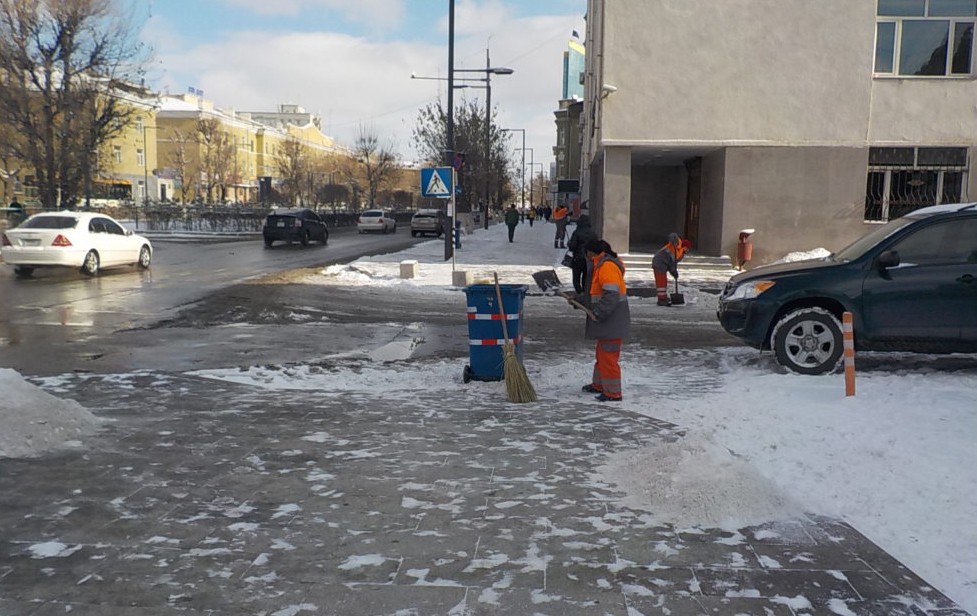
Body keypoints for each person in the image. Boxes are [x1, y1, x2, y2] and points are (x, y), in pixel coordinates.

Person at [571, 239, 630, 402]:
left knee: (608, 356)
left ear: (590, 253)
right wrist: (578, 300)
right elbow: (595, 295)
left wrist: (599, 312)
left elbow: (611, 295)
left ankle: (613, 392)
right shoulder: (600, 265)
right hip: (608, 319)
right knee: (602, 353)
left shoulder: (607, 267)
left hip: (612, 319)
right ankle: (599, 384)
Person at [652, 233, 690, 306]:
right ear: (684, 246)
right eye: (687, 249)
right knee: (661, 282)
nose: (687, 251)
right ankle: (661, 300)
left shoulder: (679, 251)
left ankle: (663, 297)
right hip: (659, 262)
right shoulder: (674, 245)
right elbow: (672, 264)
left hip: (663, 263)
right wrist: (673, 272)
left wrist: (674, 271)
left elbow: (673, 263)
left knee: (664, 281)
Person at [566, 214, 598, 293]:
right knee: (586, 280)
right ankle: (585, 296)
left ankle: (580, 294)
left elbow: (572, 246)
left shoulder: (577, 232)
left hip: (578, 259)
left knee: (576, 280)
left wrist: (569, 243)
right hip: (589, 260)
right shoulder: (593, 233)